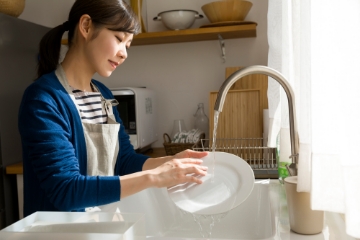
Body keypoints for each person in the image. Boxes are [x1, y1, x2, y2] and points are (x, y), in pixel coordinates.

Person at [18, 0, 208, 218]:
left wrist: (171, 161)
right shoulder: (44, 99)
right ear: (86, 26)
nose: (124, 54)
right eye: (119, 39)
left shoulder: (103, 95)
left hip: (100, 225)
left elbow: (124, 161)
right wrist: (154, 177)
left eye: (127, 46)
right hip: (60, 232)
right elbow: (66, 189)